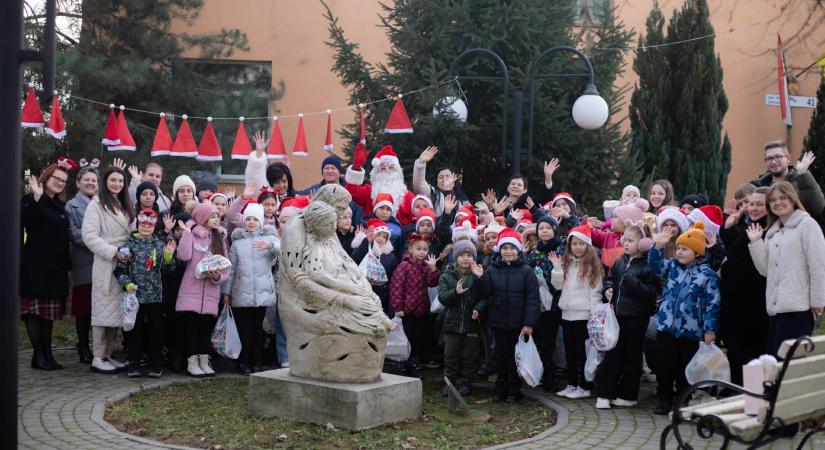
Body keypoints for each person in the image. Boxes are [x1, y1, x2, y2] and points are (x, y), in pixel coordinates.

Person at [648, 221, 720, 415]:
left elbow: (713, 304)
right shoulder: (671, 266)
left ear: (697, 252)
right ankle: (664, 398)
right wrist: (658, 246)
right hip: (666, 326)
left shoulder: (708, 275)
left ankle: (682, 399)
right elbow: (654, 266)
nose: (679, 252)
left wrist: (710, 329)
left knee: (684, 369)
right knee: (664, 366)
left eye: (685, 249)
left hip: (691, 330)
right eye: (678, 248)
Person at [747, 181, 825, 356]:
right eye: (772, 200)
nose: (778, 203)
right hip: (776, 309)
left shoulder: (807, 225)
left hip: (799, 308)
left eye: (783, 198)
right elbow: (765, 270)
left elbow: (819, 265)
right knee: (775, 360)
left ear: (793, 199)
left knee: (790, 361)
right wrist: (756, 242)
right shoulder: (772, 232)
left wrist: (818, 302)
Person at [595, 225, 659, 409]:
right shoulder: (620, 261)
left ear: (643, 243)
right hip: (617, 315)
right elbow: (610, 278)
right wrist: (608, 289)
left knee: (632, 357)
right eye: (625, 239)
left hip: (637, 318)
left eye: (630, 240)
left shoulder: (648, 265)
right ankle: (605, 393)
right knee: (612, 355)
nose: (626, 243)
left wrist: (631, 280)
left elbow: (650, 292)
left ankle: (628, 395)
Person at [82, 165, 136, 374]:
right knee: (102, 310)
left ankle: (109, 354)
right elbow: (89, 236)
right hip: (106, 262)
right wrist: (113, 252)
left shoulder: (125, 203)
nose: (117, 184)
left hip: (125, 262)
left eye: (121, 181)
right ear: (105, 181)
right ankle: (98, 356)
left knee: (116, 312)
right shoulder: (96, 204)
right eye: (113, 180)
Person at [21, 161, 73, 370]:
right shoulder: (30, 199)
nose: (60, 183)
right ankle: (38, 355)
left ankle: (48, 354)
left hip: (55, 267)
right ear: (47, 177)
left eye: (63, 181)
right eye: (56, 178)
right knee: (34, 312)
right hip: (35, 265)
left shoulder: (60, 205)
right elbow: (25, 221)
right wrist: (36, 198)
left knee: (48, 314)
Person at [479, 228, 540, 402]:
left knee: (515, 357)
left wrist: (529, 323)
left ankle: (514, 389)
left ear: (518, 250)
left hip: (518, 323)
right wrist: (481, 278)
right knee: (501, 356)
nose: (508, 252)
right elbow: (485, 294)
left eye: (512, 248)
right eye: (505, 248)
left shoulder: (526, 270)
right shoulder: (491, 269)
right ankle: (500, 387)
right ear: (499, 250)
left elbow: (533, 299)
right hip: (498, 321)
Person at [114, 208, 177, 378]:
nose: (146, 227)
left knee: (156, 331)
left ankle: (155, 364)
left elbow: (168, 271)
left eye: (150, 225)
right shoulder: (128, 245)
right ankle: (133, 362)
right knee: (134, 331)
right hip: (135, 296)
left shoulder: (160, 244)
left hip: (156, 297)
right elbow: (119, 270)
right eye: (143, 224)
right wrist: (127, 284)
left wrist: (168, 257)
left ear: (154, 226)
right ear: (138, 225)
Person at [222, 202, 280, 375]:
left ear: (261, 221)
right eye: (248, 219)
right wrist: (227, 292)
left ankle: (257, 361)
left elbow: (283, 251)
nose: (252, 222)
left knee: (259, 330)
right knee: (243, 330)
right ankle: (243, 362)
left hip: (263, 294)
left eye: (255, 219)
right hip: (241, 293)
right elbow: (232, 269)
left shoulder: (269, 239)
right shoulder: (237, 243)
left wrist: (269, 246)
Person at [719, 185, 769, 386]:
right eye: (750, 204)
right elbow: (734, 252)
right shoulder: (749, 225)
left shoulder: (768, 230)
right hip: (735, 302)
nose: (752, 208)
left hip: (754, 304)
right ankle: (736, 390)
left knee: (751, 352)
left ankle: (750, 394)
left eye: (759, 204)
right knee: (736, 349)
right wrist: (728, 227)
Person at [550, 225, 603, 400]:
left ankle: (584, 386)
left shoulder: (593, 266)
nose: (577, 247)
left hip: (584, 315)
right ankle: (572, 384)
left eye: (581, 243)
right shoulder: (567, 263)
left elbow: (595, 293)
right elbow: (558, 286)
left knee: (583, 353)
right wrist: (557, 268)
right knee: (570, 352)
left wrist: (594, 316)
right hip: (567, 314)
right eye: (574, 244)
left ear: (588, 245)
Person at [176, 202, 229, 377]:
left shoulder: (219, 238)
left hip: (211, 294)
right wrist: (186, 234)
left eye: (218, 216)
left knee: (206, 329)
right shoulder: (192, 234)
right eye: (213, 216)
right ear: (203, 217)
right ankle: (192, 362)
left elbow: (226, 266)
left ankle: (205, 361)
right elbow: (183, 256)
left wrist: (217, 277)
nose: (216, 219)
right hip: (191, 291)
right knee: (191, 328)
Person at [438, 240, 487, 396]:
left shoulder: (478, 274)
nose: (466, 258)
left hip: (471, 323)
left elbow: (486, 296)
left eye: (469, 255)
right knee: (450, 355)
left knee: (469, 356)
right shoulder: (447, 275)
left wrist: (478, 308)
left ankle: (466, 383)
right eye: (462, 255)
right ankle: (449, 382)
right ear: (456, 257)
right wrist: (455, 292)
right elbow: (442, 297)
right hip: (451, 323)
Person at [390, 233, 441, 376]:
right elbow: (396, 287)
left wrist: (433, 269)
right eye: (418, 249)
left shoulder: (426, 266)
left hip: (421, 308)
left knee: (419, 336)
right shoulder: (404, 266)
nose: (422, 252)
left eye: (425, 249)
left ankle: (414, 360)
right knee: (406, 336)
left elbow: (432, 283)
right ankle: (402, 362)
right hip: (406, 310)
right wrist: (397, 307)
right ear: (410, 249)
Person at [525, 216, 563, 391]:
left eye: (548, 227)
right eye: (541, 228)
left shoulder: (561, 249)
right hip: (537, 303)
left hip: (555, 303)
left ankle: (550, 376)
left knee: (550, 342)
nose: (544, 231)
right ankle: (538, 374)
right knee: (538, 340)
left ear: (554, 229)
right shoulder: (534, 252)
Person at [66, 166, 98, 364]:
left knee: (101, 307)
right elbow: (74, 234)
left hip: (102, 262)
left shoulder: (103, 204)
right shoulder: (71, 206)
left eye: (94, 180)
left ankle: (101, 347)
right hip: (83, 261)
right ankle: (83, 346)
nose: (90, 183)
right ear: (78, 183)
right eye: (86, 179)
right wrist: (97, 239)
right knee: (83, 308)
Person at [751, 140, 824, 228]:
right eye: (769, 158)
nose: (774, 161)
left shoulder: (801, 180)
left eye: (778, 157)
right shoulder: (758, 186)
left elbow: (816, 207)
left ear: (788, 158)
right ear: (765, 161)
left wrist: (802, 174)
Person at [346, 145, 416, 225]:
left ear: (397, 170)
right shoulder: (368, 191)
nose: (387, 170)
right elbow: (350, 192)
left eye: (391, 167)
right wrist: (356, 166)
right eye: (383, 168)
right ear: (376, 172)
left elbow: (416, 220)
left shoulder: (408, 196)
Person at [295, 154, 364, 225]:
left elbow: (358, 212)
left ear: (339, 172)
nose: (329, 171)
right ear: (322, 173)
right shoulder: (316, 190)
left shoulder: (348, 191)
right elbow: (295, 195)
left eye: (333, 168)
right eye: (326, 168)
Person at [352, 219, 399, 319]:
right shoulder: (363, 248)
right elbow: (354, 261)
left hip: (381, 297)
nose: (381, 238)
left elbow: (392, 281)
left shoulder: (391, 257)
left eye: (385, 237)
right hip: (362, 294)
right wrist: (367, 242)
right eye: (378, 235)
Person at [412, 146, 469, 217]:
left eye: (447, 176)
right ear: (436, 181)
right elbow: (419, 186)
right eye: (441, 177)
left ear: (454, 178)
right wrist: (421, 162)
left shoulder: (463, 199)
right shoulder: (432, 192)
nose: (444, 179)